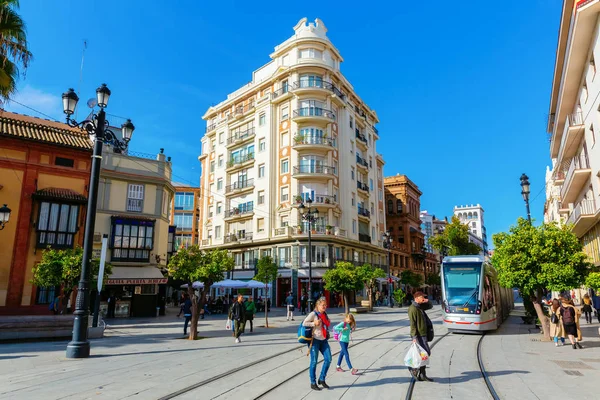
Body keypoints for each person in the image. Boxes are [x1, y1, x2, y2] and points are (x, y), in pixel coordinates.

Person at [303, 297, 332, 391]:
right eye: (323, 305)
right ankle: (313, 382)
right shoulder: (313, 314)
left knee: (328, 359)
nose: (325, 306)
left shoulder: (325, 315)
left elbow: (326, 324)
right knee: (314, 361)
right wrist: (313, 323)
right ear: (318, 305)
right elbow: (304, 323)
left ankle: (322, 378)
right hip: (314, 340)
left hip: (323, 340)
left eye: (325, 305)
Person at [408, 291, 434, 382]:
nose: (423, 298)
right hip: (418, 335)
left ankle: (423, 374)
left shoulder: (420, 306)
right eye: (422, 297)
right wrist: (414, 337)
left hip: (423, 333)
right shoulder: (413, 309)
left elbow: (430, 306)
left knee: (424, 354)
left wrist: (426, 301)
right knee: (425, 353)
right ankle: (413, 369)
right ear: (417, 297)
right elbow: (413, 324)